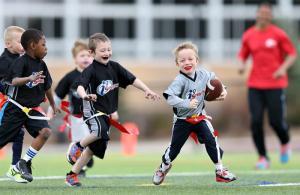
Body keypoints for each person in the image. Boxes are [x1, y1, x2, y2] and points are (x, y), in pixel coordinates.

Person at [65, 33, 160, 187]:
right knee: (99, 131)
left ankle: (72, 175)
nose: (107, 53)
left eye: (109, 49)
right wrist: (85, 96)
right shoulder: (90, 70)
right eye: (102, 50)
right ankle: (77, 146)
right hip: (92, 111)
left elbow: (132, 79)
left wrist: (147, 90)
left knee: (94, 149)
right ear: (92, 53)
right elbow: (80, 86)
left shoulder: (114, 67)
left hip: (106, 113)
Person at [152, 42, 236, 185]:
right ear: (177, 63)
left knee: (211, 140)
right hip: (183, 120)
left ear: (197, 60)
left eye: (190, 59)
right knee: (174, 149)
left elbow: (216, 84)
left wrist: (224, 90)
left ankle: (220, 171)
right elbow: (169, 97)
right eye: (182, 60)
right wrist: (186, 103)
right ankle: (164, 166)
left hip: (200, 117)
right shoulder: (179, 80)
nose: (187, 62)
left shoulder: (204, 74)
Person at [237, 2, 297, 169]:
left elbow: (292, 54)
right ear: (257, 15)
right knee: (255, 122)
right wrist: (242, 65)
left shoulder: (278, 34)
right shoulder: (249, 35)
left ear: (270, 16)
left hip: (275, 84)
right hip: (255, 85)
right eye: (261, 13)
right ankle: (263, 157)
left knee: (275, 122)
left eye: (267, 13)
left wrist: (282, 69)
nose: (263, 16)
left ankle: (285, 143)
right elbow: (242, 54)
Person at [0, 28, 59, 182]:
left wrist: (53, 105)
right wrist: (29, 78)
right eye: (43, 44)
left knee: (45, 131)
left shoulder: (42, 65)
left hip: (31, 110)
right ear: (33, 45)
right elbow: (14, 81)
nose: (46, 48)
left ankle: (23, 163)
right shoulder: (20, 62)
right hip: (15, 109)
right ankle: (17, 167)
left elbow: (47, 87)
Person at [47, 40, 94, 176]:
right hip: (77, 116)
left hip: (93, 114)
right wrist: (51, 111)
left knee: (93, 139)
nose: (86, 58)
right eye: (82, 56)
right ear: (75, 59)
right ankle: (79, 165)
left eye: (88, 55)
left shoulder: (96, 75)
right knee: (80, 142)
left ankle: (82, 161)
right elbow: (57, 96)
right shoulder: (70, 77)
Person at [0, 26, 28, 183]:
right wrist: (10, 86)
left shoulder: (22, 60)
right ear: (8, 44)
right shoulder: (3, 62)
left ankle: (14, 167)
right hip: (4, 103)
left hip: (15, 105)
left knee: (19, 133)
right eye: (20, 42)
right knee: (4, 136)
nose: (23, 45)